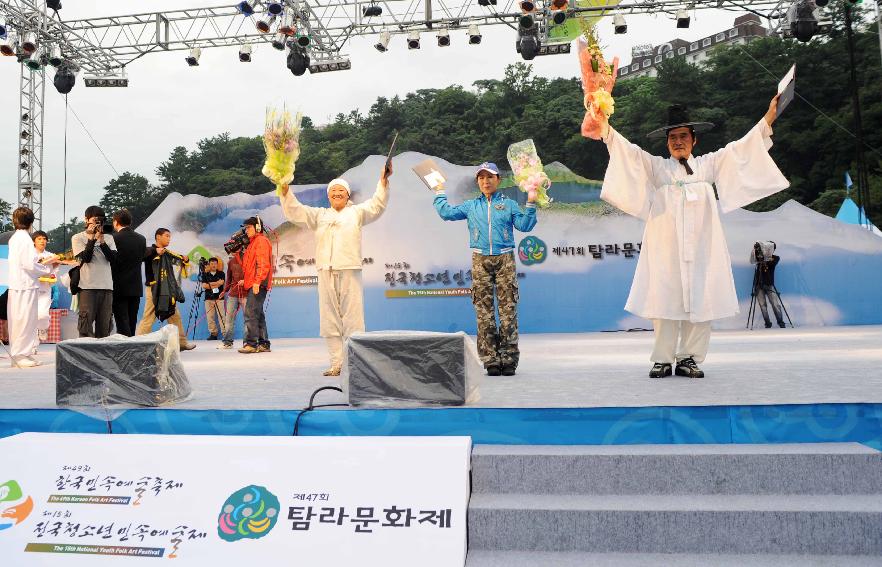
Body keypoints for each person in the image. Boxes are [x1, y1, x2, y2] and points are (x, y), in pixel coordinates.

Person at [599, 96, 789, 379]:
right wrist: (604, 126)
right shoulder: (657, 168)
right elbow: (628, 152)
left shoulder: (708, 165)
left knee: (702, 299)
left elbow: (740, 150)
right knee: (663, 300)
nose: (678, 142)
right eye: (673, 137)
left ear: (694, 140)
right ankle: (663, 359)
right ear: (667, 143)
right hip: (666, 247)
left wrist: (769, 118)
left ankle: (689, 357)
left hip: (702, 246)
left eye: (683, 136)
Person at [278, 162, 392, 375]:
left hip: (349, 269)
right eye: (333, 191)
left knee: (353, 317)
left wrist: (383, 180)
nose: (337, 193)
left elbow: (377, 204)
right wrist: (285, 190)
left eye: (341, 191)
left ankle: (355, 362)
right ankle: (337, 363)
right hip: (325, 271)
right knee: (329, 318)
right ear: (328, 196)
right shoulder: (320, 215)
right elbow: (296, 212)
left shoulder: (357, 213)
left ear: (348, 195)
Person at [433, 162, 538, 376]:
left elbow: (525, 226)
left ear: (498, 180)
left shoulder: (508, 204)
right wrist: (439, 191)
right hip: (480, 259)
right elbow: (447, 213)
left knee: (507, 311)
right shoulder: (471, 206)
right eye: (481, 178)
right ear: (477, 182)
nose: (485, 181)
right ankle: (490, 359)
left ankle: (508, 359)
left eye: (489, 177)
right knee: (484, 312)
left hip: (505, 258)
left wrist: (531, 201)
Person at [8, 207, 58, 367]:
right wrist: (46, 268)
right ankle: (21, 355)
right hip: (25, 285)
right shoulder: (25, 239)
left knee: (20, 320)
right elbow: (30, 264)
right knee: (25, 321)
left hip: (18, 284)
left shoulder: (15, 238)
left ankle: (21, 354)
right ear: (31, 222)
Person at [135, 228, 196, 351]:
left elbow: (177, 259)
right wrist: (154, 251)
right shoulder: (150, 251)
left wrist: (185, 260)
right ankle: (138, 344)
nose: (169, 238)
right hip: (154, 289)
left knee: (175, 316)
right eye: (167, 236)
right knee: (149, 317)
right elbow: (140, 256)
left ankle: (182, 343)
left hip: (167, 290)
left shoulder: (167, 253)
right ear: (158, 237)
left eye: (170, 236)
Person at [71, 206, 117, 338]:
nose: (98, 224)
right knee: (85, 326)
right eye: (95, 220)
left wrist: (102, 241)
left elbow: (113, 259)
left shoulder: (108, 238)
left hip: (107, 286)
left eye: (100, 221)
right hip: (87, 287)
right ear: (86, 220)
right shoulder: (77, 238)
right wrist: (91, 239)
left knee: (105, 326)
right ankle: (85, 356)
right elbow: (86, 258)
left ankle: (102, 356)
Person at [110, 209, 147, 337]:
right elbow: (142, 257)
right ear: (130, 222)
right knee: (132, 320)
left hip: (118, 286)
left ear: (116, 222)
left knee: (121, 321)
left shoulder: (114, 238)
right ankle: (132, 348)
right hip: (135, 286)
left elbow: (111, 260)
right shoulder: (141, 239)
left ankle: (125, 350)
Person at [238, 217, 272, 354]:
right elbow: (249, 265)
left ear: (258, 227)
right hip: (253, 282)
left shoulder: (261, 241)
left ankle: (252, 344)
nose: (246, 231)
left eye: (248, 228)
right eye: (245, 228)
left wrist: (257, 281)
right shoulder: (253, 243)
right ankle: (264, 343)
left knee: (250, 312)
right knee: (258, 313)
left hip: (258, 282)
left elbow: (263, 263)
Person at [32, 230, 58, 343]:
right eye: (39, 239)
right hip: (30, 288)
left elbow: (55, 272)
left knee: (42, 315)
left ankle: (42, 329)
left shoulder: (51, 256)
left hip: (44, 289)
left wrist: (52, 275)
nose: (42, 241)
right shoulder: (30, 255)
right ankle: (33, 345)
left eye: (44, 239)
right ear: (34, 241)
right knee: (30, 318)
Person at [753, 243, 785, 329]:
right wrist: (757, 250)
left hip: (769, 284)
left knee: (775, 304)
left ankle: (781, 322)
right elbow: (753, 259)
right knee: (763, 306)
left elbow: (771, 263)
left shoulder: (775, 258)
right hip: (758, 285)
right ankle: (767, 323)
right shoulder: (759, 257)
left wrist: (763, 257)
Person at [220, 250, 246, 349]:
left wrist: (246, 281)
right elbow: (229, 278)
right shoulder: (231, 262)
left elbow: (252, 275)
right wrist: (225, 290)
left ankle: (247, 343)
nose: (233, 251)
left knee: (248, 319)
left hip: (246, 293)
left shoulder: (248, 259)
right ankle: (227, 342)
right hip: (233, 294)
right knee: (229, 319)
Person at [200, 257, 225, 340]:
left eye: (215, 263)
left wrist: (210, 284)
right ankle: (213, 334)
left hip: (219, 298)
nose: (213, 265)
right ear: (209, 265)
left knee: (222, 316)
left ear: (217, 265)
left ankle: (225, 333)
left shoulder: (222, 273)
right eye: (212, 263)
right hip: (208, 298)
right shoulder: (205, 274)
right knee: (210, 317)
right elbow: (204, 286)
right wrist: (217, 283)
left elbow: (222, 283)